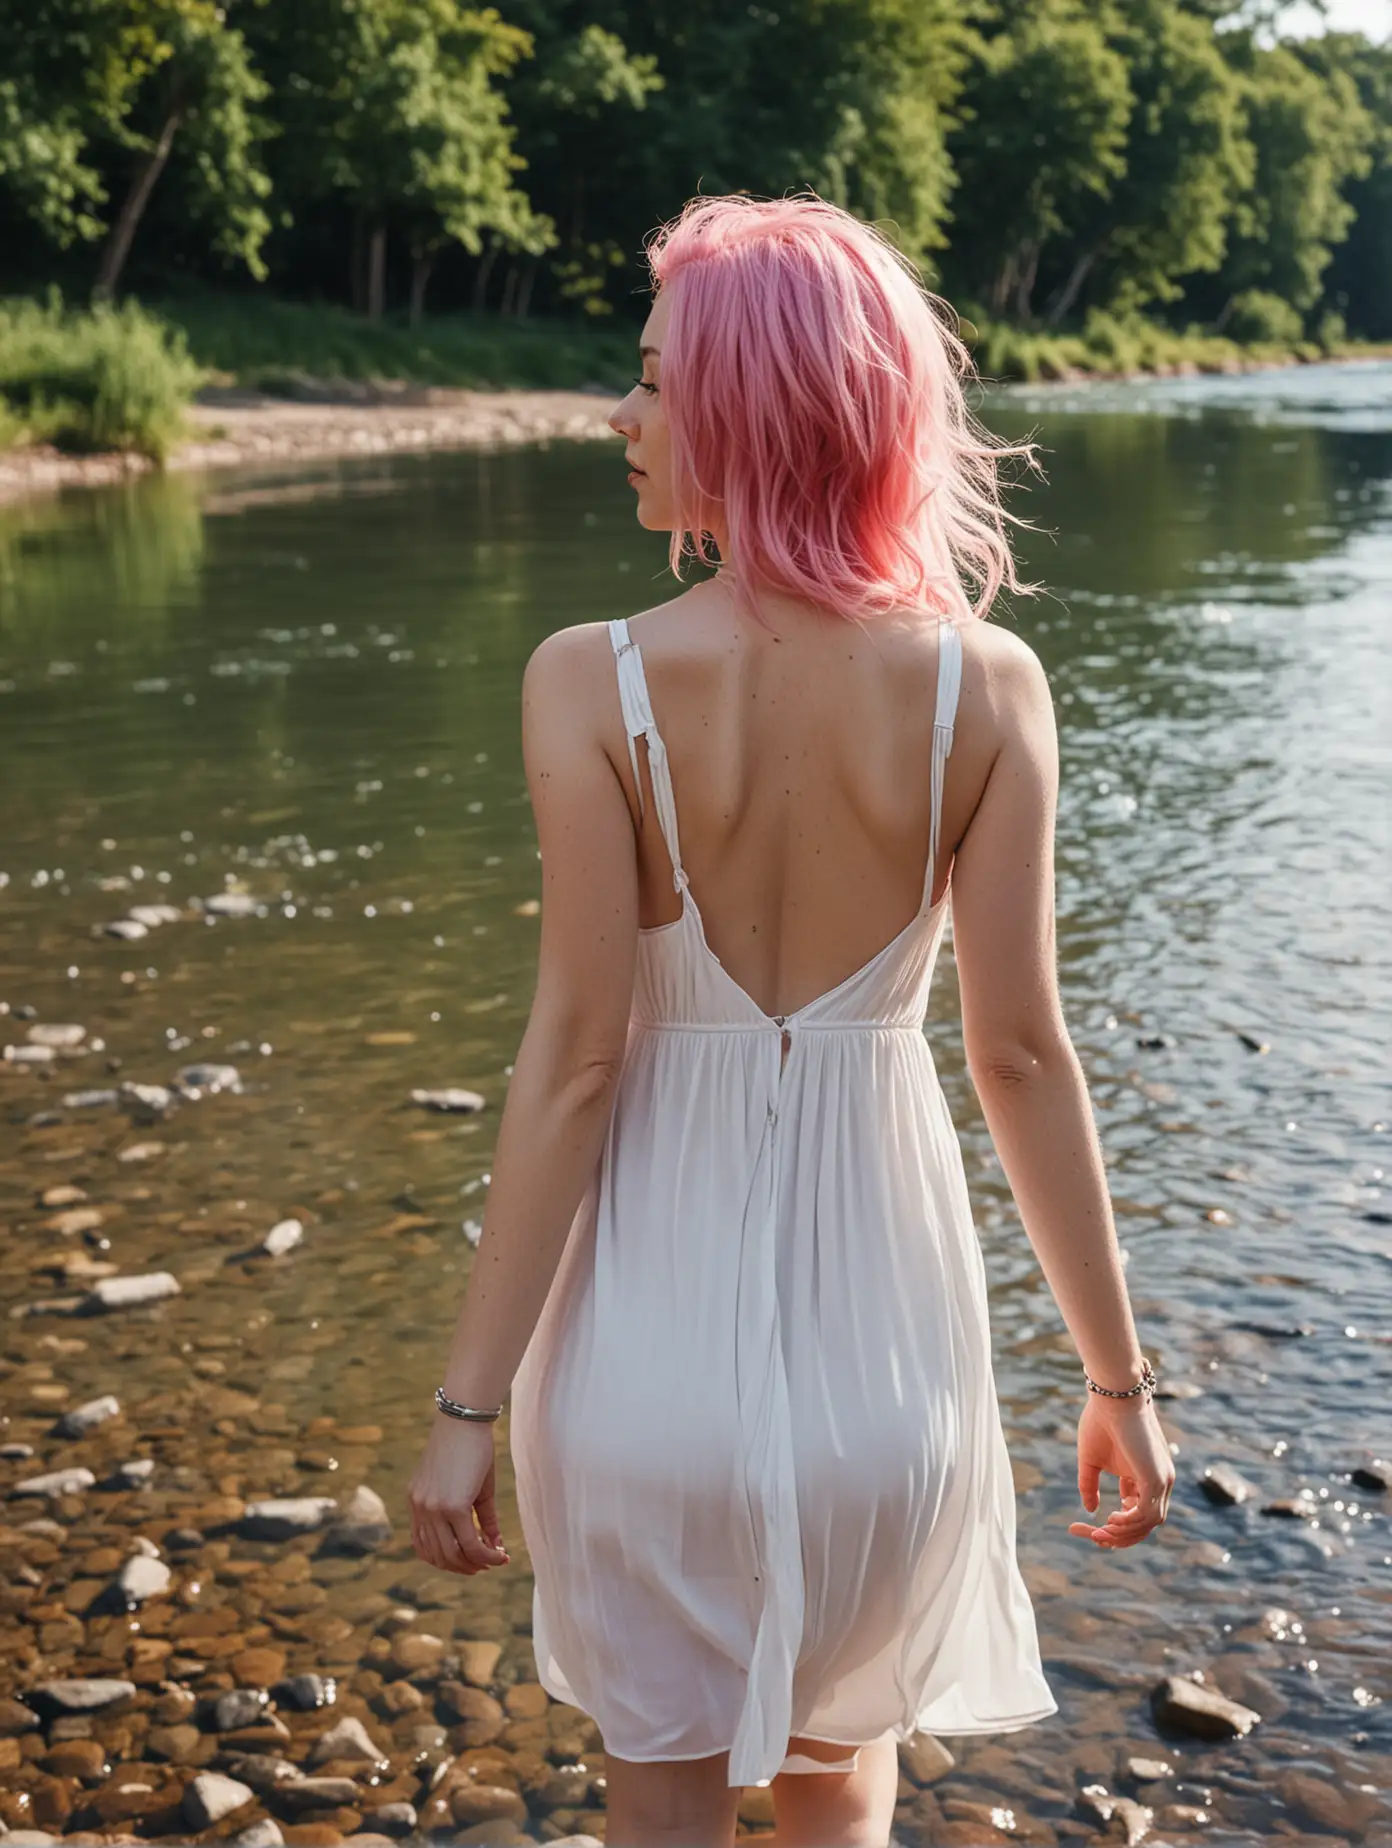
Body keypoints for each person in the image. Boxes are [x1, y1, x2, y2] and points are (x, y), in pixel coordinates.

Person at [408, 193, 1175, 1848]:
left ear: (758, 417)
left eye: (658, 383)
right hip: (887, 1368)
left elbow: (576, 1062)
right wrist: (1116, 1377)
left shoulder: (589, 678)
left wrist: (466, 1413)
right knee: (843, 1783)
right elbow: (1023, 1055)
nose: (622, 415)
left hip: (638, 1363)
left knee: (663, 1789)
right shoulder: (991, 686)